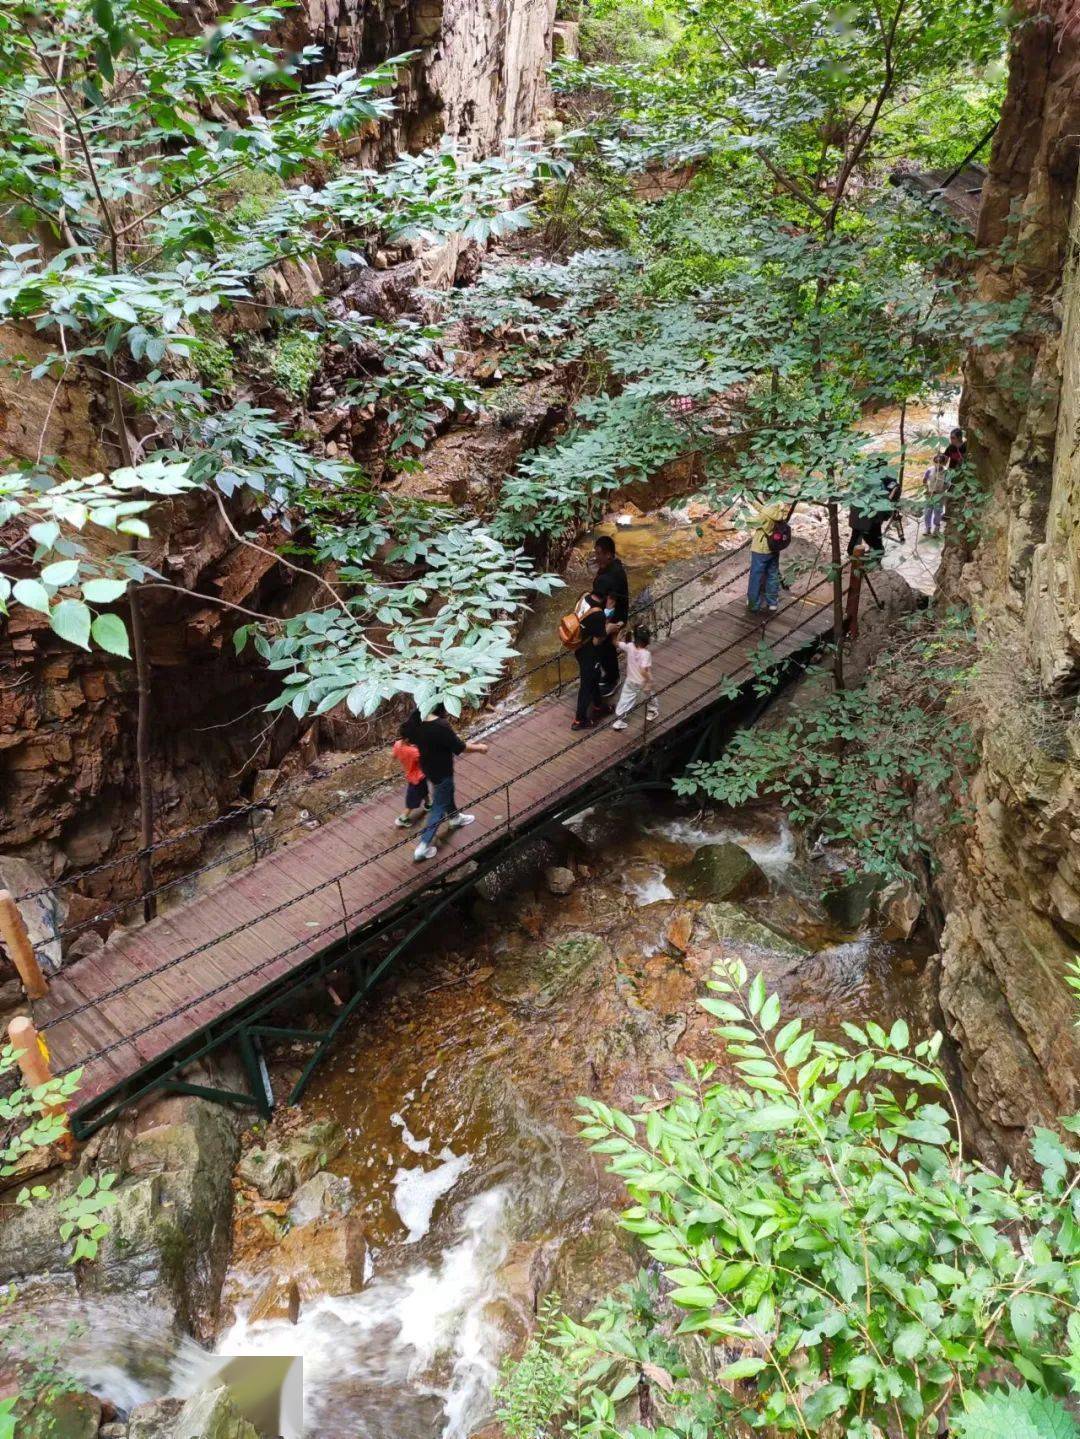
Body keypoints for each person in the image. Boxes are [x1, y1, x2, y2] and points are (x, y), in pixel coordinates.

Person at [405, 704, 489, 862]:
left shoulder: (416, 718)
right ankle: (423, 846)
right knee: (438, 806)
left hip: (428, 767)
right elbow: (459, 747)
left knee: (445, 792)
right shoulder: (440, 726)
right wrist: (480, 748)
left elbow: (408, 736)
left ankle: (455, 818)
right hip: (442, 769)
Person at [592, 534, 629, 694]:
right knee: (603, 649)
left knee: (605, 647)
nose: (596, 557)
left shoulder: (614, 575)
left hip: (614, 618)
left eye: (599, 553)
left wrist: (604, 626)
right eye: (596, 553)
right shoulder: (611, 567)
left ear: (608, 554)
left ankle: (613, 679)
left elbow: (611, 603)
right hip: (605, 614)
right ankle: (608, 675)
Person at [572, 591, 611, 731]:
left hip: (578, 646)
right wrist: (609, 627)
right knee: (586, 685)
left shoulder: (584, 596)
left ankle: (598, 705)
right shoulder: (599, 614)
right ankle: (579, 720)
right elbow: (597, 640)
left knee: (595, 676)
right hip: (589, 652)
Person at [746, 498, 791, 613]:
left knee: (755, 577)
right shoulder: (780, 513)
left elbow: (750, 522)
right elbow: (764, 509)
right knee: (772, 575)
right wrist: (751, 500)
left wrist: (741, 513)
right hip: (774, 548)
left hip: (760, 550)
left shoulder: (764, 517)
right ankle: (772, 603)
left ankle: (753, 604)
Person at [612, 625, 658, 732]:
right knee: (650, 695)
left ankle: (619, 721)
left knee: (625, 699)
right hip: (641, 682)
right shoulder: (646, 654)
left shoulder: (630, 646)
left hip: (630, 680)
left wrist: (617, 633)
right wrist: (650, 680)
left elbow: (616, 643)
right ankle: (652, 711)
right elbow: (643, 670)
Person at [392, 723, 430, 828]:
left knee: (424, 790)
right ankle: (402, 818)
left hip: (412, 774)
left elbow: (394, 755)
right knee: (412, 801)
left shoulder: (398, 744)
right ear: (409, 739)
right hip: (416, 778)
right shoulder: (414, 751)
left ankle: (428, 804)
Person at [922, 452, 948, 536]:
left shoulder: (946, 472)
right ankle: (928, 528)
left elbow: (948, 484)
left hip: (940, 495)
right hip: (930, 494)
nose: (938, 464)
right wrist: (926, 489)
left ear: (943, 463)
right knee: (927, 512)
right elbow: (924, 480)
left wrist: (942, 491)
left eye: (940, 462)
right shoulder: (930, 470)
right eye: (936, 462)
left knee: (938, 512)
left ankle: (936, 528)